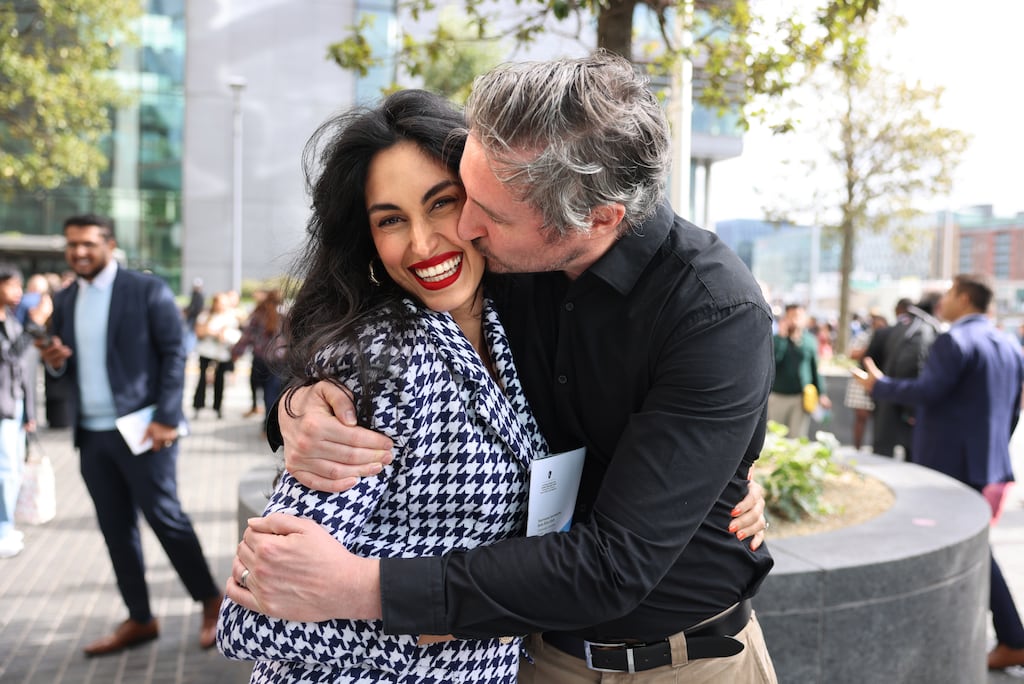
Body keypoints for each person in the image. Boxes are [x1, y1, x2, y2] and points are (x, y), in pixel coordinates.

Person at [229, 52, 777, 682]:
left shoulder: (711, 312)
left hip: (685, 663)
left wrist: (369, 589)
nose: (462, 228)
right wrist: (296, 405)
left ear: (598, 219)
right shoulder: (499, 268)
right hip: (532, 658)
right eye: (467, 192)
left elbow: (616, 564)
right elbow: (376, 332)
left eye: (481, 212)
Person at [217, 88, 560, 683]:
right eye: (391, 220)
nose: (423, 244)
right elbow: (254, 611)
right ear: (368, 239)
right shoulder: (384, 358)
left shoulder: (519, 323)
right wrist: (454, 623)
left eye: (441, 203)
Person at [37, 214, 223, 656]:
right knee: (115, 529)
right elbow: (63, 364)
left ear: (110, 244)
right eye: (71, 245)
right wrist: (55, 358)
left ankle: (213, 603)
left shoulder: (145, 290)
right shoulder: (64, 299)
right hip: (92, 434)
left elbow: (175, 353)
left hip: (144, 431)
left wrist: (166, 417)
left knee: (166, 518)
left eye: (87, 244)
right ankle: (140, 618)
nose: (78, 252)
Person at [855, 273, 1024, 671]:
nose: (943, 300)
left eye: (949, 293)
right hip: (987, 461)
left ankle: (1012, 635)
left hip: (948, 464)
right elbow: (1014, 408)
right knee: (971, 544)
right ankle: (1009, 634)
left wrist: (879, 386)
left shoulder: (954, 340)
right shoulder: (1008, 342)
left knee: (961, 546)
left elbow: (928, 391)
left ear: (964, 297)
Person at [0, 264, 42, 558]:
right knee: (6, 471)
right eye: (13, 285)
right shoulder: (15, 322)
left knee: (12, 469)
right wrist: (33, 324)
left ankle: (6, 524)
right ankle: (3, 528)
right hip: (3, 407)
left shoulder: (12, 318)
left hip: (14, 406)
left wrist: (30, 412)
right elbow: (11, 357)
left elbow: (25, 368)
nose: (18, 292)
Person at [870, 293, 942, 459]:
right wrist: (912, 410)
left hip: (889, 401)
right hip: (905, 405)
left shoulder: (904, 327)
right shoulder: (922, 330)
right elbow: (912, 367)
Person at [767, 303, 830, 439]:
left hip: (801, 396)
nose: (796, 320)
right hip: (779, 395)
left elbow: (814, 368)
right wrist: (782, 338)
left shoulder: (809, 340)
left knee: (798, 436)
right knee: (776, 436)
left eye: (799, 316)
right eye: (792, 316)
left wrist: (822, 393)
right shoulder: (776, 339)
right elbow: (773, 362)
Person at [231, 289, 285, 428]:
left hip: (261, 359)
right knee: (273, 393)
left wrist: (236, 352)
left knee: (264, 390)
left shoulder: (258, 315)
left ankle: (267, 423)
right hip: (280, 360)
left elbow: (247, 337)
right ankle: (271, 425)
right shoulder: (285, 314)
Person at [842, 310, 888, 450]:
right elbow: (852, 353)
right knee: (860, 417)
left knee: (879, 420)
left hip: (880, 381)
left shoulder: (888, 338)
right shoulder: (864, 337)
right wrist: (871, 346)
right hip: (862, 381)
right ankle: (857, 447)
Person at [191, 291, 241, 419]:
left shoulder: (231, 317)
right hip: (206, 352)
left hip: (222, 354)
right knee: (202, 380)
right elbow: (199, 331)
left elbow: (236, 336)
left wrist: (225, 336)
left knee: (220, 381)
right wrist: (212, 333)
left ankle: (218, 408)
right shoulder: (206, 315)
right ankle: (198, 406)